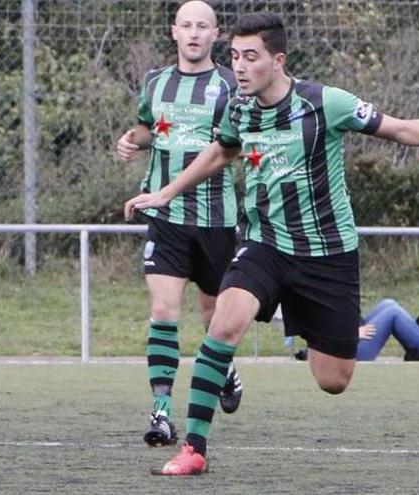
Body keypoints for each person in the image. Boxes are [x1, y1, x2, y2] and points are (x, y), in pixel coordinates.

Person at [124, 13, 419, 475]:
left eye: (251, 57)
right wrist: (167, 191)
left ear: (278, 60)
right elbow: (221, 151)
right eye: (234, 56)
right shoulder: (239, 107)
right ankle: (194, 449)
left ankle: (299, 315)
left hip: (328, 256)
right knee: (223, 324)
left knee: (332, 379)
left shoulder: (324, 102)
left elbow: (396, 128)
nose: (239, 66)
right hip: (265, 246)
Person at [115, 0, 243, 448]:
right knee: (164, 312)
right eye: (186, 25)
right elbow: (150, 128)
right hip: (164, 217)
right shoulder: (156, 82)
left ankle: (223, 365)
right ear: (174, 32)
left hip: (215, 218)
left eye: (202, 26)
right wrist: (133, 141)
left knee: (214, 318)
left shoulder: (231, 84)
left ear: (215, 35)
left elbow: (234, 145)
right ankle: (163, 412)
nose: (193, 33)